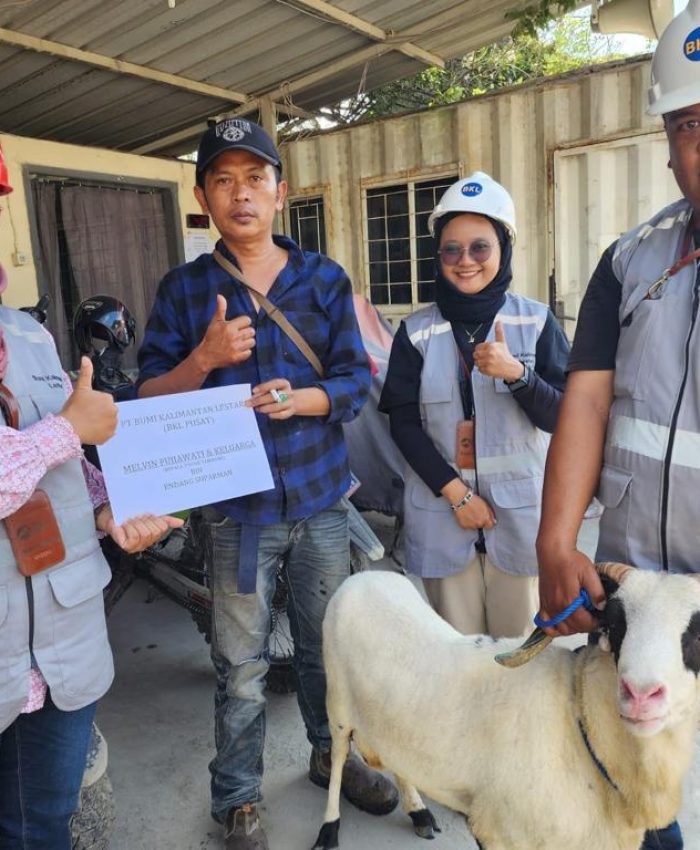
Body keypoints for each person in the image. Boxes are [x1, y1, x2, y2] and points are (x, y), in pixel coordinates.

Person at [136, 118, 398, 850]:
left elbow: (353, 381)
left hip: (318, 501)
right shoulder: (184, 291)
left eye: (255, 178)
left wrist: (302, 398)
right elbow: (147, 396)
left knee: (325, 647)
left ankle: (329, 758)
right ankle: (239, 799)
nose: (240, 193)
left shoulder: (323, 279)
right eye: (223, 180)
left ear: (281, 193)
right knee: (240, 663)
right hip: (233, 516)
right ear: (202, 197)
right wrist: (204, 358)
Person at [536, 3, 700, 848]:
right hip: (634, 591)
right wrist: (556, 542)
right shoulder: (631, 261)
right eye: (691, 125)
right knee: (635, 769)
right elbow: (588, 402)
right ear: (668, 140)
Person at [0, 141, 183, 850]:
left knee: (43, 826)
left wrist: (109, 507)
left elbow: (63, 467)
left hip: (63, 650)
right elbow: (62, 437)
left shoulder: (31, 336)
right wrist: (72, 428)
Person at [379, 172, 569, 637]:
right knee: (457, 662)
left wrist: (518, 376)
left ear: (503, 249)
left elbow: (566, 418)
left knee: (521, 661)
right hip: (443, 516)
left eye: (480, 247)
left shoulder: (536, 321)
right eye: (452, 249)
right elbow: (402, 425)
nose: (465, 261)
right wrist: (458, 495)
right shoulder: (415, 332)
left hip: (518, 520)